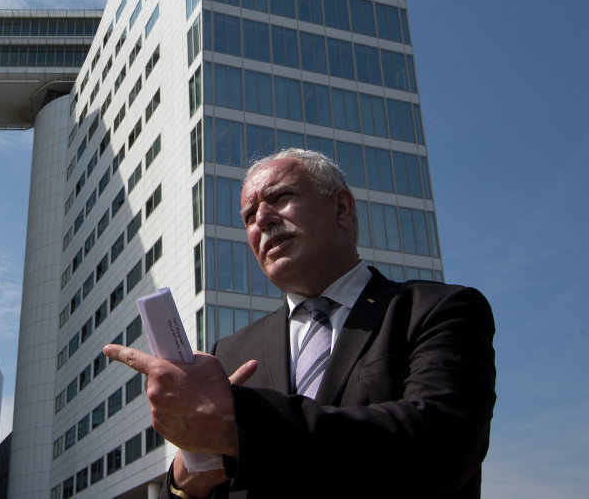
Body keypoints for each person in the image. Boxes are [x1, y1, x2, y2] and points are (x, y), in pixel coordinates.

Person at [104, 148, 495, 498]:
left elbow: (444, 445)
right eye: (248, 215)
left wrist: (239, 425)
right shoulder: (231, 352)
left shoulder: (437, 309)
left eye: (280, 197)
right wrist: (187, 481)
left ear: (341, 208)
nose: (262, 219)